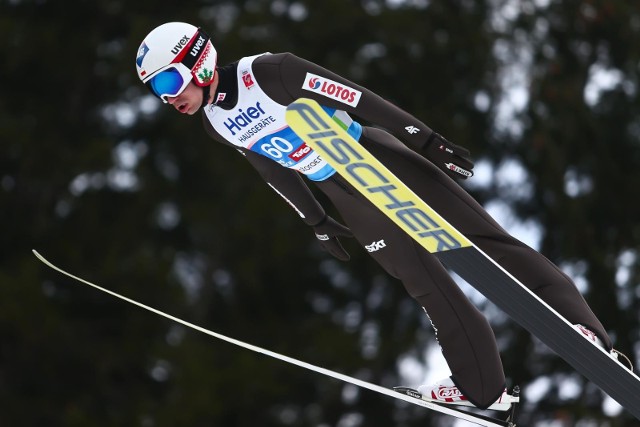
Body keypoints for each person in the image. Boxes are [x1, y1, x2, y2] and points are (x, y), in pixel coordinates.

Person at [135, 22, 618, 410]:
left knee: (485, 242)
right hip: (343, 192)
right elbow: (268, 164)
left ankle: (584, 331)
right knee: (425, 284)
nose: (168, 96)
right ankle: (483, 390)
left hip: (374, 156)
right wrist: (316, 219)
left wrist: (423, 138)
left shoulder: (268, 73)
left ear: (199, 62)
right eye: (157, 90)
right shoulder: (215, 124)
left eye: (169, 80)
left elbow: (355, 96)